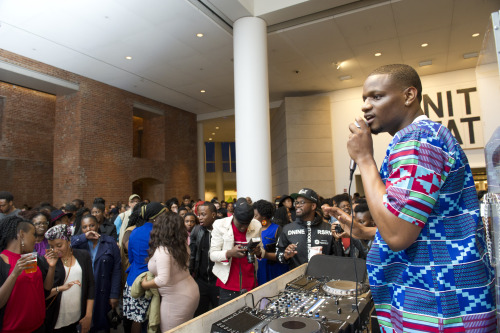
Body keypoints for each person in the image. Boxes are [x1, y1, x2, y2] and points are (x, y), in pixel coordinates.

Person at [331, 64, 495, 331]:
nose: (365, 106)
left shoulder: (417, 140)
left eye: (376, 96)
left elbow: (398, 234)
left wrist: (364, 159)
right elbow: (428, 221)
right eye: (364, 98)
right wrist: (368, 231)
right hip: (437, 297)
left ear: (409, 95)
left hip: (434, 304)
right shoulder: (426, 137)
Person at [141, 213, 199, 331]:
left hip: (176, 299)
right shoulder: (182, 244)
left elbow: (163, 279)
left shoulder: (163, 250)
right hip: (190, 291)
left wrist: (145, 284)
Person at [0, 216, 57, 332]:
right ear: (21, 234)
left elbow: (44, 291)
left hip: (38, 327)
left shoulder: (29, 257)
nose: (35, 239)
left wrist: (51, 268)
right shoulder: (2, 261)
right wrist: (14, 275)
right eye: (33, 234)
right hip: (12, 329)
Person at [71, 215, 121, 333]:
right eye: (85, 227)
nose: (89, 229)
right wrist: (83, 237)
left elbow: (116, 269)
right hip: (83, 290)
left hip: (103, 289)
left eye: (91, 225)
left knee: (102, 324)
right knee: (83, 323)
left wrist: (114, 294)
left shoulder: (109, 242)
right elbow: (66, 245)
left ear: (98, 225)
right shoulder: (79, 243)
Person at [123, 202, 166, 333]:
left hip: (133, 281)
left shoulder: (134, 231)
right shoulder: (159, 234)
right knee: (149, 321)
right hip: (150, 282)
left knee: (137, 319)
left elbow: (130, 258)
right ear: (155, 217)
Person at [210, 198, 262, 305]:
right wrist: (229, 253)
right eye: (241, 224)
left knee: (250, 319)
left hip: (250, 282)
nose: (243, 227)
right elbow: (213, 255)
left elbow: (261, 252)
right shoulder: (220, 225)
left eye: (247, 224)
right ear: (233, 216)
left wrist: (258, 252)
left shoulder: (256, 225)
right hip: (228, 284)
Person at [44, 224, 95, 333]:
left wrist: (88, 315)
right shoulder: (47, 262)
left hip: (77, 317)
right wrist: (60, 288)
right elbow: (43, 294)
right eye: (51, 246)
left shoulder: (83, 256)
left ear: (68, 241)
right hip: (54, 319)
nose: (55, 250)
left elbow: (90, 285)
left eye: (59, 245)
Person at [276, 188, 340, 269]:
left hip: (323, 278)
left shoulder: (328, 229)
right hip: (297, 279)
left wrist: (326, 260)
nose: (297, 205)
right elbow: (278, 255)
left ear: (313, 206)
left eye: (302, 202)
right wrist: (285, 256)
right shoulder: (287, 229)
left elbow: (338, 257)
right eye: (296, 202)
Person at [189, 202, 219, 316]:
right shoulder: (197, 231)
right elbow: (192, 255)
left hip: (218, 280)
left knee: (218, 313)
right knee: (200, 314)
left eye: (203, 214)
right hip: (201, 280)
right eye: (198, 215)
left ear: (213, 215)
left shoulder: (222, 231)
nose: (200, 218)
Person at [252, 200, 289, 285]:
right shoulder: (253, 230)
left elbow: (283, 255)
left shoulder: (277, 229)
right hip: (261, 269)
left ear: (264, 217)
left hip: (275, 270)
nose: (253, 218)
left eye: (255, 216)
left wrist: (264, 254)